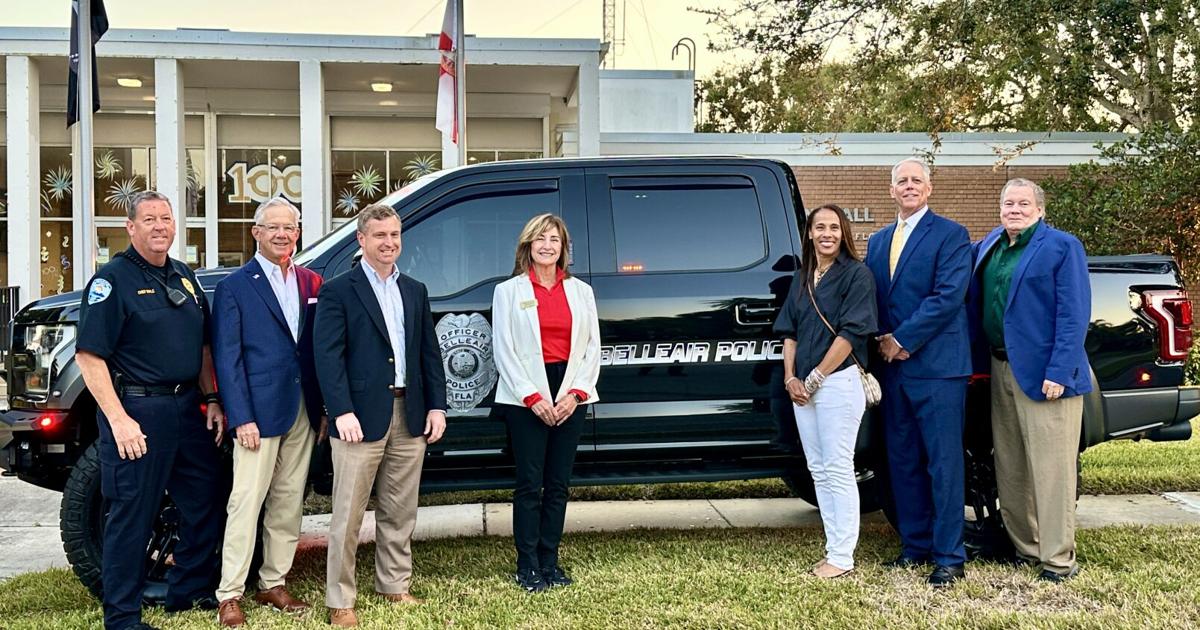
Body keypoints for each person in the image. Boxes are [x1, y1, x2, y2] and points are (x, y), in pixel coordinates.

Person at [75, 190, 225, 630]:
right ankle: (122, 617)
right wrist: (119, 420)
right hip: (138, 411)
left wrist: (211, 397)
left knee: (204, 499)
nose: (160, 226)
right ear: (130, 227)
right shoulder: (111, 281)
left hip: (187, 407)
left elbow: (201, 346)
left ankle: (188, 591)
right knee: (131, 515)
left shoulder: (184, 275)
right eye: (150, 219)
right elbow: (89, 357)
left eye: (166, 218)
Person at [313, 203, 448, 628]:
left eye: (394, 235)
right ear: (361, 240)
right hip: (358, 417)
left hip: (409, 412)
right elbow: (327, 358)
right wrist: (341, 413)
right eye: (379, 236)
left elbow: (429, 352)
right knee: (348, 514)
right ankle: (340, 599)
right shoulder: (338, 290)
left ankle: (394, 585)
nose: (389, 243)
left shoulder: (415, 289)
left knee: (400, 509)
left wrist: (436, 405)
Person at [968, 178, 1091, 582]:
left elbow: (1074, 315)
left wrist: (1059, 371)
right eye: (1008, 203)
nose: (1014, 209)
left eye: (1023, 203)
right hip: (1000, 368)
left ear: (1040, 209)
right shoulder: (990, 246)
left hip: (1045, 378)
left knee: (1051, 470)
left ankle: (1057, 559)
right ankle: (1027, 548)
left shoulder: (1061, 247)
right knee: (1012, 465)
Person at [212, 197, 326, 626]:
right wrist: (240, 416)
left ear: (298, 233)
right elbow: (227, 357)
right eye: (273, 227)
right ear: (255, 232)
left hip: (303, 408)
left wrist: (324, 409)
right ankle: (230, 593)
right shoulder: (236, 286)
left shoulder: (313, 282)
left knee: (288, 499)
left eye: (290, 227)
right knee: (245, 501)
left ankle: (273, 582)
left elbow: (316, 351)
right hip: (256, 413)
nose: (283, 234)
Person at [864, 158, 973, 587]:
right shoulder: (877, 241)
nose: (909, 186)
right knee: (902, 461)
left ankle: (949, 557)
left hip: (938, 370)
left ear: (929, 188)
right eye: (901, 181)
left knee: (943, 464)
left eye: (916, 180)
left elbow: (947, 298)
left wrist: (902, 340)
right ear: (891, 190)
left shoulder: (951, 235)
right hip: (892, 373)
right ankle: (915, 546)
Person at [491, 213, 600, 593]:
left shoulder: (581, 292)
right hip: (525, 398)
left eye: (554, 239)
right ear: (527, 246)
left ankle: (550, 562)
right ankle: (527, 565)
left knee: (557, 485)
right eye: (540, 239)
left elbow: (592, 350)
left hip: (570, 394)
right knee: (529, 484)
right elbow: (503, 351)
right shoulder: (508, 292)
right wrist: (533, 397)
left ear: (563, 247)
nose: (547, 245)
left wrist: (575, 395)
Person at [774, 204, 877, 579]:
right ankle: (832, 549)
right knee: (818, 470)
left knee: (837, 468)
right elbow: (790, 332)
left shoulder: (857, 275)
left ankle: (842, 557)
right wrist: (790, 378)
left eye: (834, 227)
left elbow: (852, 334)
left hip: (838, 383)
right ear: (810, 233)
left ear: (844, 233)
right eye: (820, 227)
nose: (827, 233)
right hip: (802, 388)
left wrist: (816, 376)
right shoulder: (802, 278)